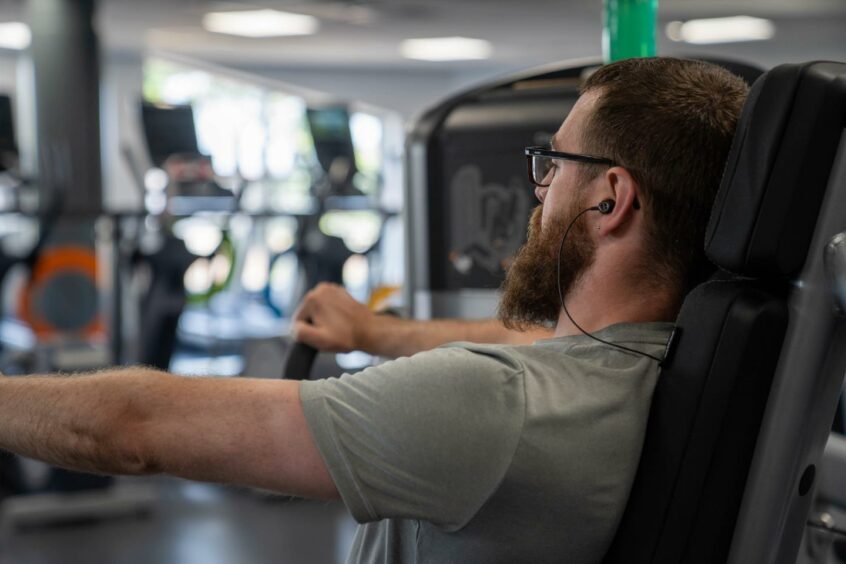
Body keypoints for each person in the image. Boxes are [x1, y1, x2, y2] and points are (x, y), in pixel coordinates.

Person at [0, 57, 748, 563]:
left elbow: (133, 428)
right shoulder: (661, 359)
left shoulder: (494, 405)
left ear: (609, 198)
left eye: (553, 165)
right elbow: (530, 342)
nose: (539, 187)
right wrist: (372, 332)